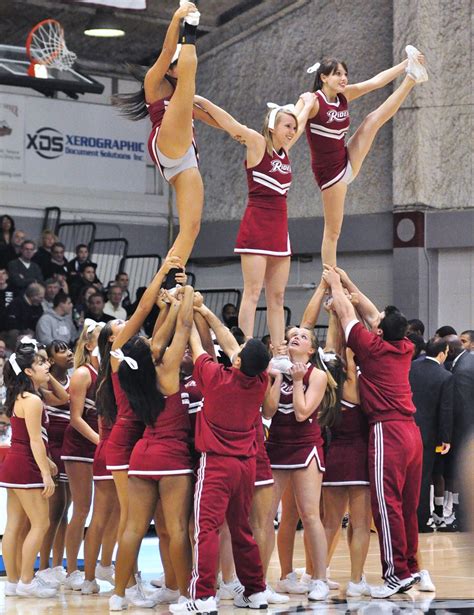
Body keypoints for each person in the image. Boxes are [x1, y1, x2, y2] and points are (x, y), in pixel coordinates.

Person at [193, 93, 314, 373]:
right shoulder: (258, 144)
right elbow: (231, 125)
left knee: (277, 296)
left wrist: (307, 102)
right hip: (257, 225)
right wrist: (200, 100)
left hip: (279, 229)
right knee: (252, 292)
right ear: (272, 126)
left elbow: (301, 120)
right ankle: (244, 348)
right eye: (287, 127)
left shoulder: (286, 149)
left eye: (294, 128)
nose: (292, 132)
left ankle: (279, 352)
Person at [323, 266, 423, 598]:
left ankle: (395, 573)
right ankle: (408, 566)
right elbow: (370, 312)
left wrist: (336, 284)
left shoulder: (371, 349)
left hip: (389, 432)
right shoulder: (404, 347)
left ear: (379, 332)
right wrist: (350, 279)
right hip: (413, 434)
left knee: (386, 504)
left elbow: (350, 311)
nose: (374, 320)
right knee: (407, 506)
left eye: (378, 323)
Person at [169, 301, 270, 615]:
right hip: (246, 465)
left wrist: (189, 312)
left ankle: (202, 598)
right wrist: (206, 311)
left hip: (216, 464)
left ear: (238, 361)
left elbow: (199, 345)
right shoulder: (261, 380)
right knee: (242, 530)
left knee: (206, 530)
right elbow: (228, 342)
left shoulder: (215, 378)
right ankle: (256, 592)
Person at [112, 2, 218, 288]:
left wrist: (241, 133)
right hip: (165, 140)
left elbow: (216, 120)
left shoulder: (185, 97)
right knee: (189, 89)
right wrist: (178, 18)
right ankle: (192, 31)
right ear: (172, 69)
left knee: (192, 227)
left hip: (185, 157)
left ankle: (167, 282)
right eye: (178, 62)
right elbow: (166, 51)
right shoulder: (155, 82)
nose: (178, 64)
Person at [99, 251, 183, 607]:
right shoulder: (121, 356)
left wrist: (170, 307)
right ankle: (127, 586)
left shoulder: (136, 361)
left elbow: (154, 337)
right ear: (111, 343)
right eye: (120, 328)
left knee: (145, 521)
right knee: (130, 518)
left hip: (140, 443)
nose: (129, 328)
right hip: (124, 444)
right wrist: (164, 276)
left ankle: (142, 585)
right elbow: (142, 316)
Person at [297, 47, 427, 266]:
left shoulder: (343, 96)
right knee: (333, 231)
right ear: (323, 77)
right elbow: (295, 122)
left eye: (345, 74)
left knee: (372, 120)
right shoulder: (313, 101)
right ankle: (330, 278)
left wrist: (406, 63)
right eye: (338, 74)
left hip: (347, 157)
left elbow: (375, 82)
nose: (344, 78)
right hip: (331, 175)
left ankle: (412, 77)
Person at [109, 286, 195, 611]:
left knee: (132, 528)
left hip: (141, 456)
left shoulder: (131, 376)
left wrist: (168, 307)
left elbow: (156, 341)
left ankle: (118, 595)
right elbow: (184, 330)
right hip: (171, 457)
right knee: (175, 530)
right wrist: (186, 295)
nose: (151, 340)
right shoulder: (166, 373)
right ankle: (186, 597)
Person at [263, 324, 336, 601]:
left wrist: (296, 381)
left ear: (311, 349)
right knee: (269, 516)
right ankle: (283, 576)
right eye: (293, 334)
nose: (296, 337)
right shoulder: (275, 371)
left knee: (309, 514)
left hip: (306, 447)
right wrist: (278, 377)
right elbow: (268, 411)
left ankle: (318, 578)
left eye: (303, 336)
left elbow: (302, 413)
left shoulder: (317, 375)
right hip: (277, 446)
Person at [0, 339, 57, 598]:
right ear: (28, 372)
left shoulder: (19, 397)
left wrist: (49, 463)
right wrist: (45, 473)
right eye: (40, 363)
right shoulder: (32, 400)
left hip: (14, 462)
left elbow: (29, 437)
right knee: (41, 523)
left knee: (13, 525)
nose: (46, 365)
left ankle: (13, 583)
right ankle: (26, 581)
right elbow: (34, 440)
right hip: (25, 466)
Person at [60, 321, 102, 590]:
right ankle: (72, 570)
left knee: (103, 511)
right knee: (82, 509)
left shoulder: (109, 372)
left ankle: (99, 565)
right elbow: (75, 419)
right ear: (89, 345)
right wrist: (101, 442)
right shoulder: (83, 374)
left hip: (100, 446)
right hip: (80, 448)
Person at [37, 340, 74, 586]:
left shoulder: (75, 378)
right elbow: (61, 401)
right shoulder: (42, 387)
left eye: (69, 349)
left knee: (65, 510)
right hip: (53, 447)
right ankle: (42, 567)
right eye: (62, 351)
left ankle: (58, 565)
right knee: (54, 510)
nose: (69, 353)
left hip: (70, 448)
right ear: (50, 360)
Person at [409, 337, 452, 536]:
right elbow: (445, 410)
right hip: (427, 434)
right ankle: (419, 522)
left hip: (404, 428)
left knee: (404, 477)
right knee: (423, 477)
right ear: (443, 353)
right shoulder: (444, 376)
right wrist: (446, 438)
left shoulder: (410, 367)